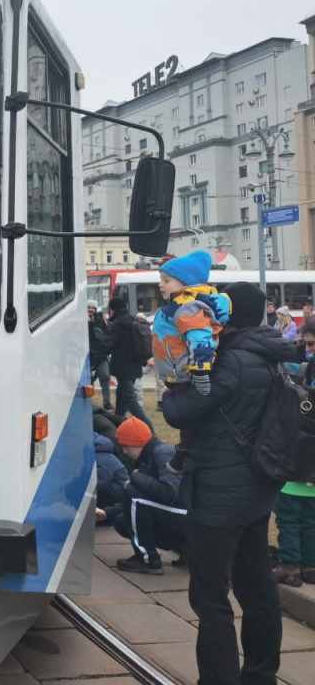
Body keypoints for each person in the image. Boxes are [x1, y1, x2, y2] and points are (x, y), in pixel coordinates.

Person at [162, 281, 292, 685]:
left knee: (211, 596)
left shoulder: (228, 361)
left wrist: (169, 384)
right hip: (257, 487)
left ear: (224, 315)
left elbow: (180, 413)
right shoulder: (271, 353)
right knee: (256, 587)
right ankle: (261, 675)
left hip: (219, 496)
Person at [151, 251, 231, 473]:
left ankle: (184, 454)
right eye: (161, 280)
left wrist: (200, 371)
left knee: (190, 420)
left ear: (186, 282)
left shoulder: (187, 308)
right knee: (190, 418)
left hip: (188, 374)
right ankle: (187, 452)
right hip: (180, 374)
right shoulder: (180, 306)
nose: (161, 285)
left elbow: (200, 339)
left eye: (166, 281)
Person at [109, 417, 186, 574]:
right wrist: (107, 513)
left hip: (188, 514)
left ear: (137, 443)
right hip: (182, 513)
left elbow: (170, 491)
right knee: (122, 521)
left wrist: (136, 478)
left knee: (133, 494)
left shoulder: (162, 453)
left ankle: (147, 559)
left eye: (125, 446)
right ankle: (186, 547)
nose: (124, 451)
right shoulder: (150, 456)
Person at [273, 319, 315, 587]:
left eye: (310, 344)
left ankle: (290, 567)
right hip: (310, 469)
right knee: (311, 521)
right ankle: (310, 567)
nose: (307, 349)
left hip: (298, 462)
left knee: (288, 520)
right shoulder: (308, 365)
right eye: (304, 343)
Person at [99, 296, 154, 433]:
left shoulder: (117, 323)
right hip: (135, 364)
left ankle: (148, 427)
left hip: (123, 366)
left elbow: (106, 345)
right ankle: (119, 422)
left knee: (129, 397)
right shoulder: (133, 320)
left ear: (112, 309)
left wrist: (95, 359)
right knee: (122, 395)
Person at [94, 432, 129, 515]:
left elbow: (101, 483)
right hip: (117, 491)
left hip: (117, 494)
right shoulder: (100, 453)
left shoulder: (99, 457)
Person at [88, 300, 112, 410]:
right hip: (88, 358)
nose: (90, 310)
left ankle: (107, 402)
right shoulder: (80, 322)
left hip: (101, 356)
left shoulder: (100, 321)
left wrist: (106, 322)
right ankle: (87, 402)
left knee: (105, 377)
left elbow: (107, 336)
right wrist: (87, 323)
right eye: (88, 307)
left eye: (93, 308)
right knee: (88, 381)